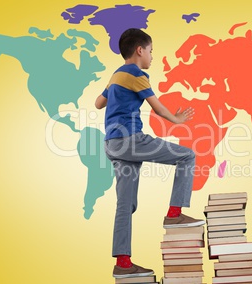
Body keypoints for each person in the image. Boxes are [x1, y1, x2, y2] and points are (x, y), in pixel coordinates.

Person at [95, 28, 205, 279]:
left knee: (125, 204)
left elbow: (98, 103)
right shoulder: (136, 73)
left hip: (112, 144)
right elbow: (158, 108)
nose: (152, 57)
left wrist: (116, 94)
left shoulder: (116, 76)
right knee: (187, 156)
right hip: (130, 140)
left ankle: (123, 262)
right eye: (151, 51)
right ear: (139, 50)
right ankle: (174, 214)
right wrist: (177, 120)